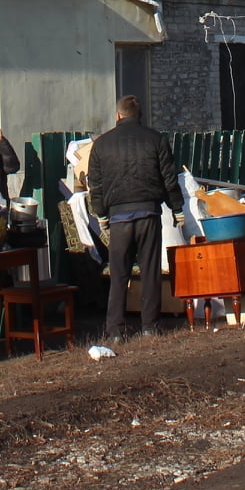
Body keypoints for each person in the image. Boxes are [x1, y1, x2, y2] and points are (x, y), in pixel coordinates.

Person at [86, 95, 184, 339]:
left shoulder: (102, 144)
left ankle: (115, 330)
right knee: (150, 271)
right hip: (148, 213)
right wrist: (177, 209)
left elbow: (95, 185)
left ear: (118, 115)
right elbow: (169, 179)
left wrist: (101, 214)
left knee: (119, 274)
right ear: (139, 115)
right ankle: (150, 326)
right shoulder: (156, 140)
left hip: (118, 218)